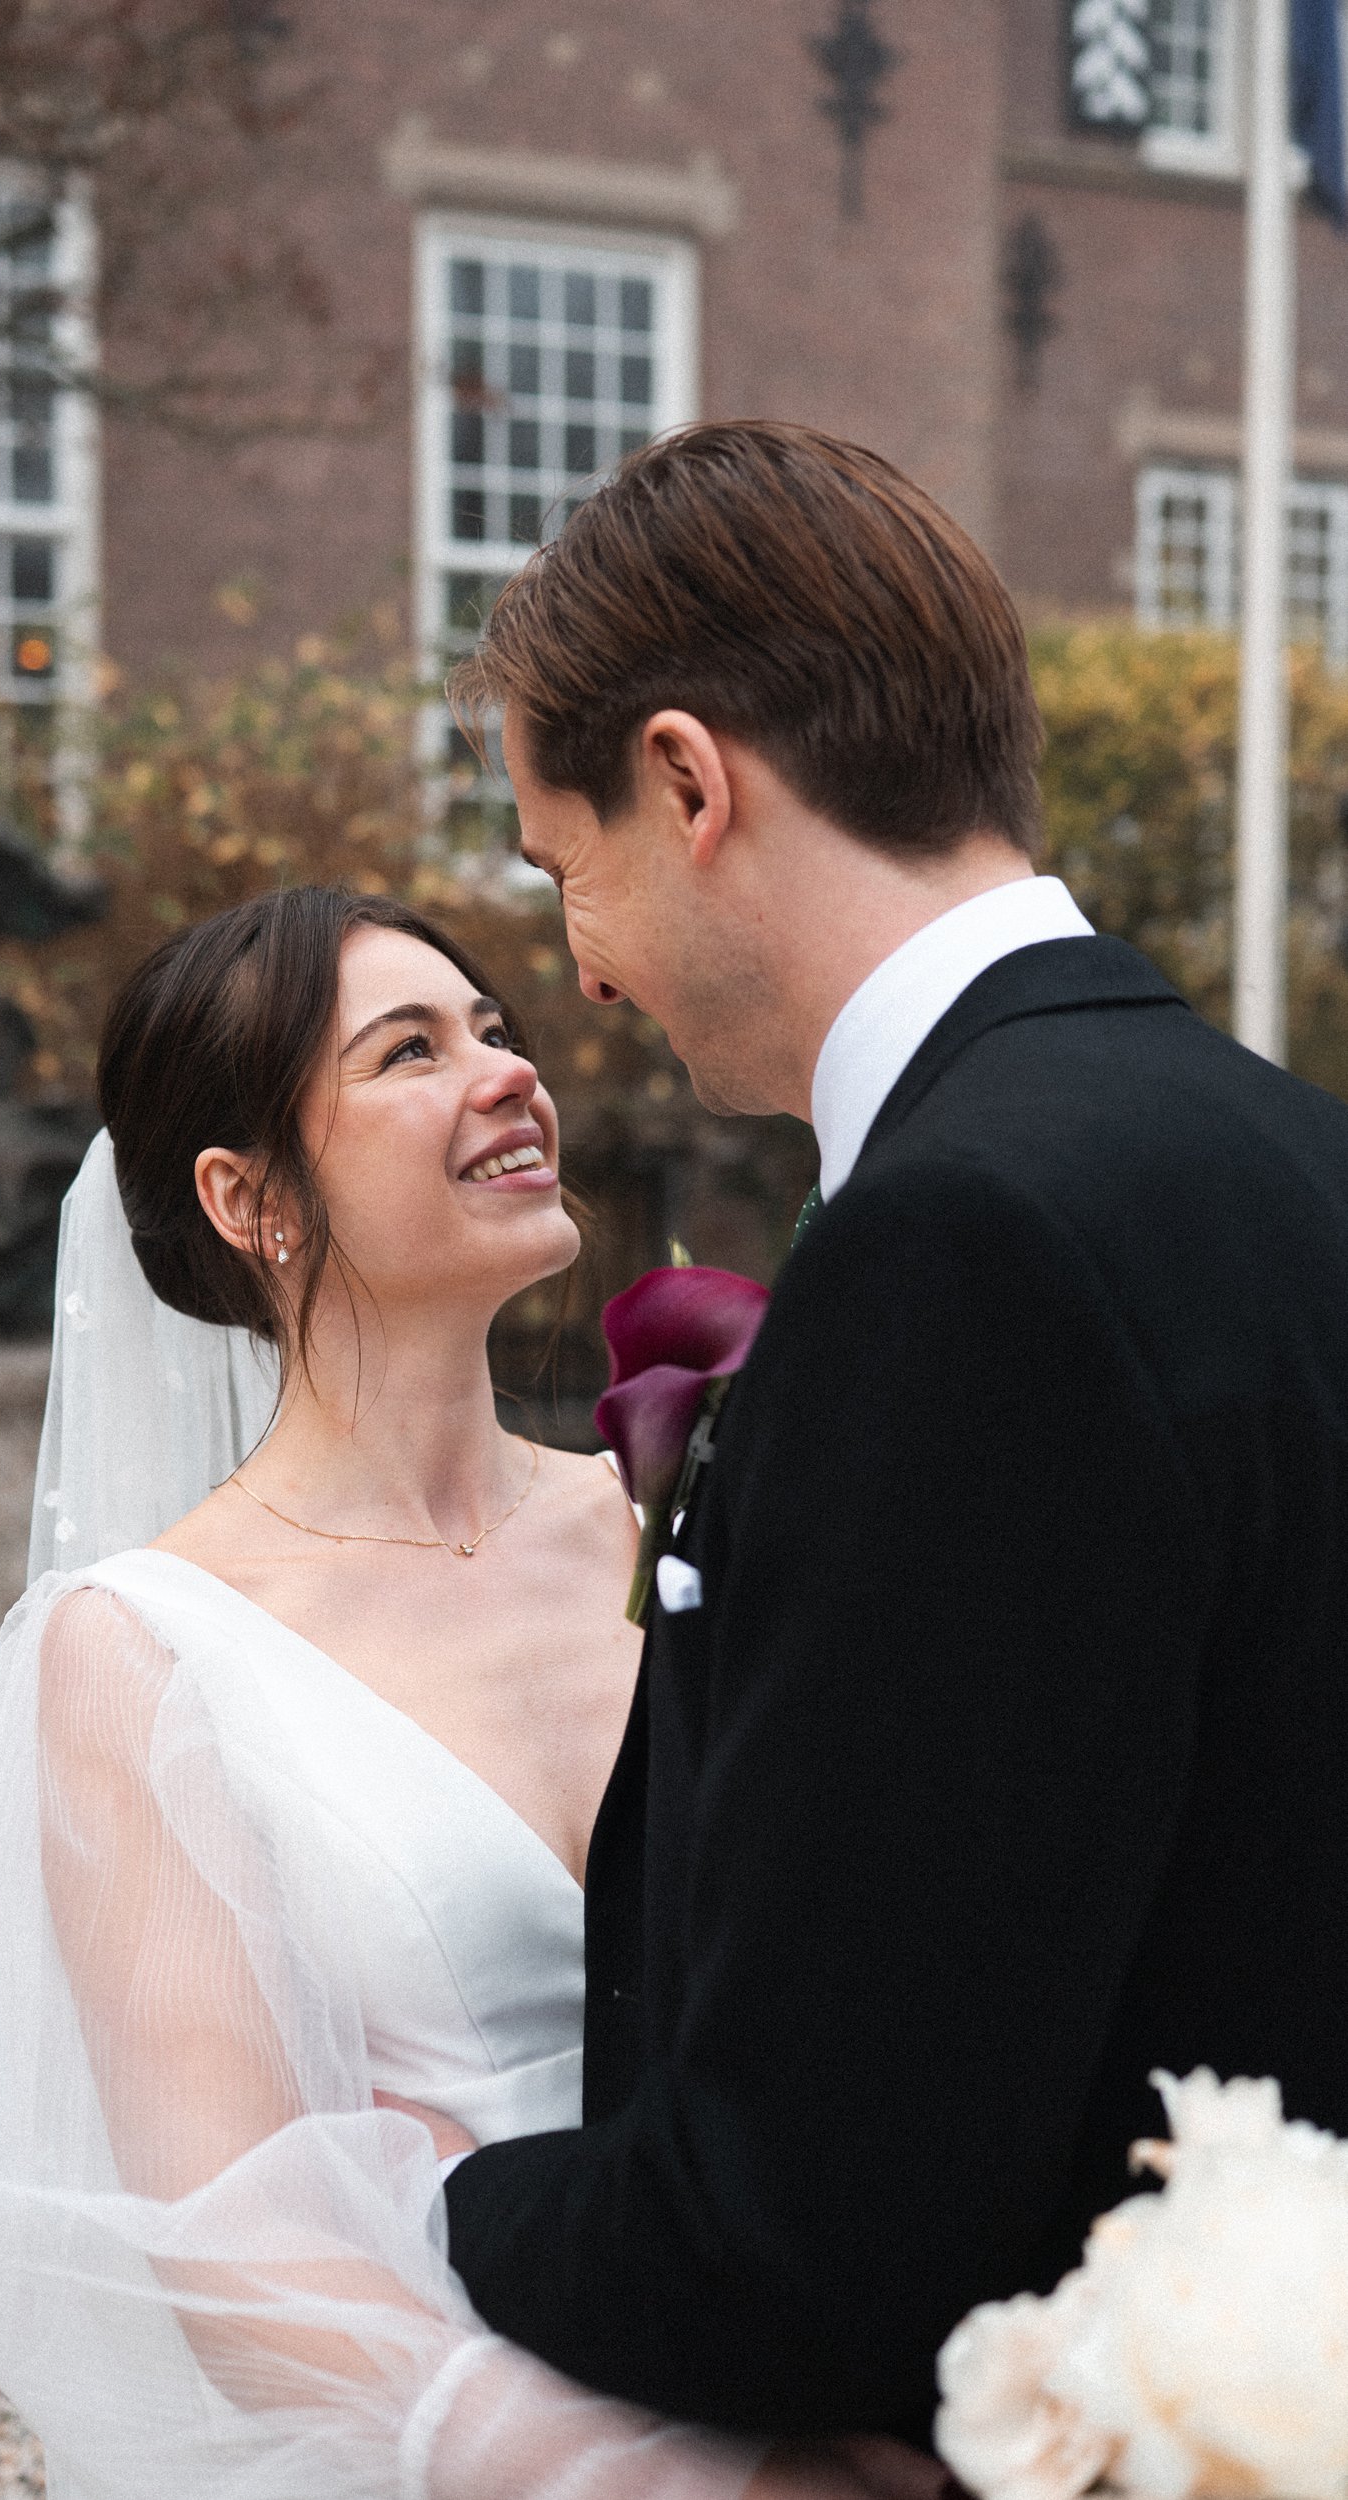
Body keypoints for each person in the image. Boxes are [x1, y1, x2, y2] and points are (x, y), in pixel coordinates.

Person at [429, 418, 1348, 2445]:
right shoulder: (1298, 1160)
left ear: (687, 783)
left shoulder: (962, 1244)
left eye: (565, 864)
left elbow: (812, 2230)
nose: (577, 964)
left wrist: (438, 2202)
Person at [0, 884, 940, 2500]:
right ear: (250, 1197)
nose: (506, 1074)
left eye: (497, 1031)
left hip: (830, 2362)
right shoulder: (138, 1654)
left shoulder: (678, 1517)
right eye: (410, 1050)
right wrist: (679, 2482)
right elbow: (235, 2244)